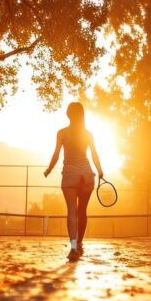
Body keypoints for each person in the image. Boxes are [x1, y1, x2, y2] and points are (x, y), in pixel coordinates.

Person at [43, 102, 103, 261]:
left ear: (68, 114)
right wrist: (100, 171)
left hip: (70, 175)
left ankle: (74, 248)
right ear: (82, 115)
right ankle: (80, 243)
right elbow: (95, 154)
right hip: (86, 175)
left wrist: (48, 170)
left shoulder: (62, 133)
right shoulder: (88, 134)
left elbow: (56, 155)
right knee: (82, 212)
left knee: (72, 212)